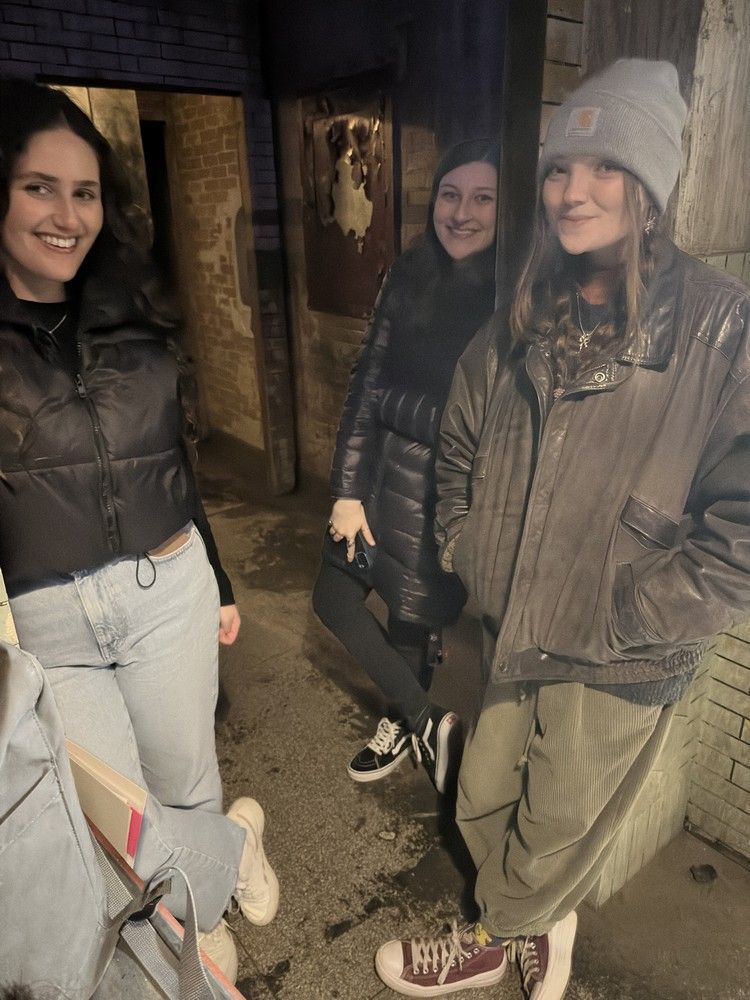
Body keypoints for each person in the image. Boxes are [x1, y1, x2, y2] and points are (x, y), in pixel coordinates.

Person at [374, 58, 750, 998]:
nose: (573, 190)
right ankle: (544, 920)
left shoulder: (720, 326)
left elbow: (741, 532)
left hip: (617, 651)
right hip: (509, 625)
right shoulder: (528, 310)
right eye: (559, 169)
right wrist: (466, 544)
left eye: (606, 167)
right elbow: (459, 440)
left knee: (556, 820)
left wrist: (632, 614)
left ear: (653, 188)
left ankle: (492, 940)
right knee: (486, 790)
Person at [0, 79, 278, 984]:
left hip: (167, 588)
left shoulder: (134, 309)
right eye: (40, 186)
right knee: (115, 825)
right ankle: (232, 852)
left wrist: (223, 581)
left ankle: (193, 921)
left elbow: (174, 461)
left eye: (83, 193)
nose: (66, 215)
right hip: (47, 617)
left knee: (183, 778)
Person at [312, 139, 499, 791]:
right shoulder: (409, 272)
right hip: (378, 479)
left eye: (483, 197)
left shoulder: (511, 298)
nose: (462, 212)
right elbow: (367, 382)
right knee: (332, 595)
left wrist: (396, 408)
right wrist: (346, 489)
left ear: (506, 209)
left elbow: (477, 428)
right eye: (451, 194)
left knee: (410, 620)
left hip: (440, 494)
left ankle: (399, 720)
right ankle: (427, 720)